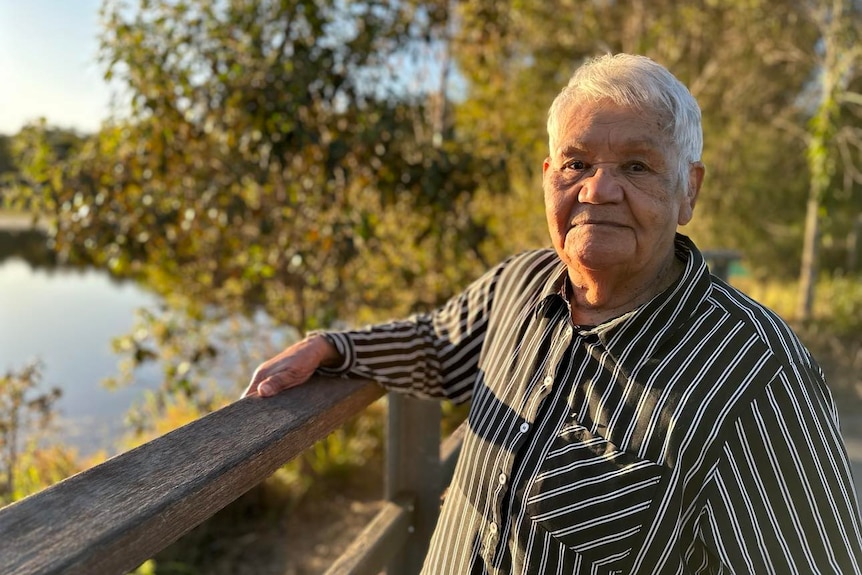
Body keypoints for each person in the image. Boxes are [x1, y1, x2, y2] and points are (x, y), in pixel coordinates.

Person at [244, 54, 862, 573]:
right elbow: (438, 344)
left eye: (637, 167)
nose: (597, 190)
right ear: (548, 177)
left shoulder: (758, 375)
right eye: (577, 163)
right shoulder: (522, 283)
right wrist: (332, 349)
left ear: (689, 190)